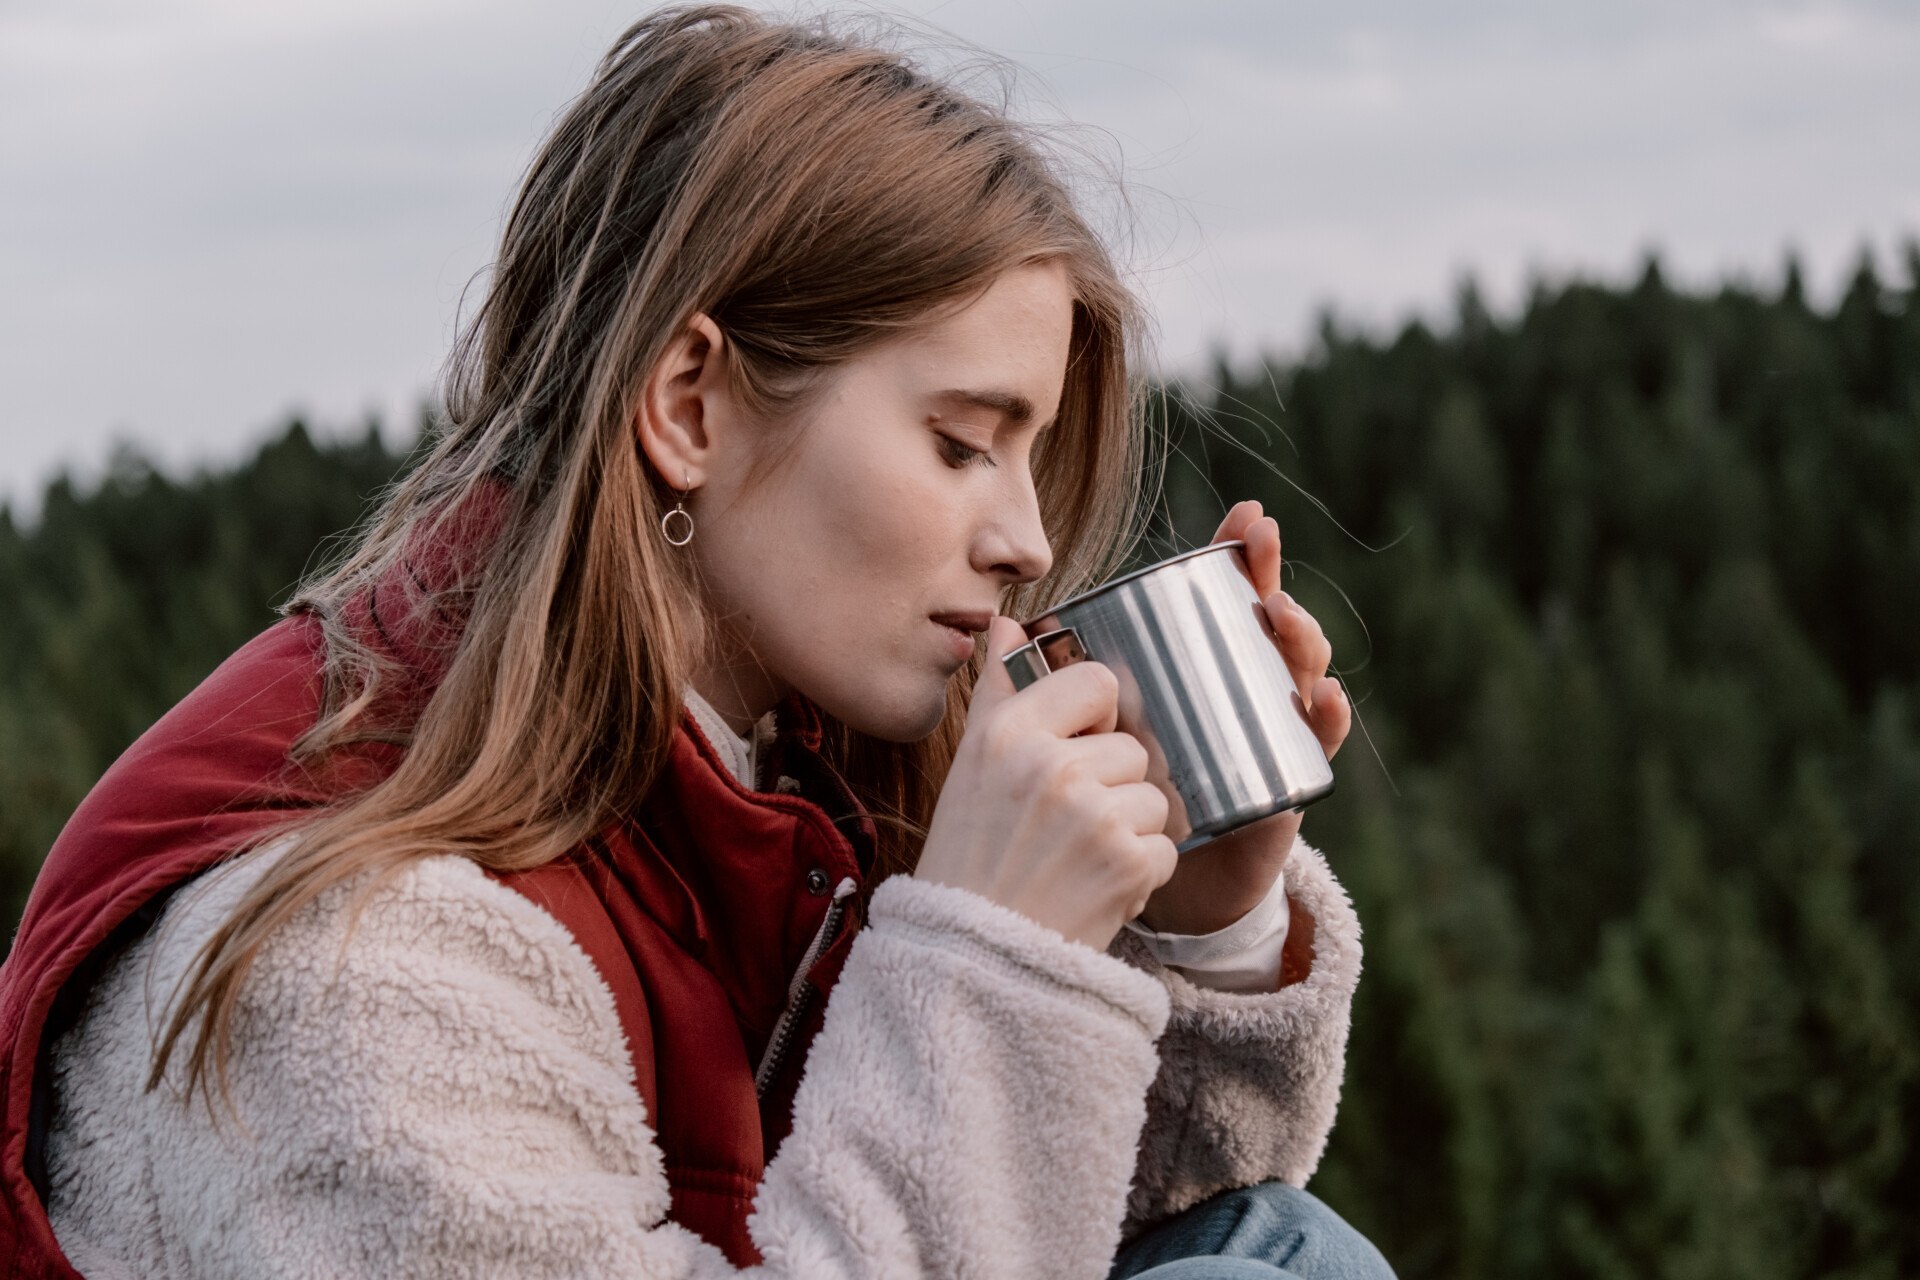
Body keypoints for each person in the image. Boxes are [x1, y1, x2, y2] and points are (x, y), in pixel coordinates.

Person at [0, 7, 1392, 1277]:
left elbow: (1069, 1213)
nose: (1026, 539)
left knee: (1265, 1252)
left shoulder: (785, 775)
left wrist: (1199, 924)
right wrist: (993, 964)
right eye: (964, 443)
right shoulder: (363, 969)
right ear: (690, 407)